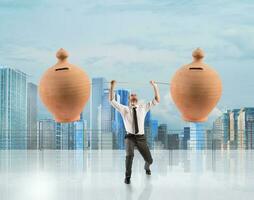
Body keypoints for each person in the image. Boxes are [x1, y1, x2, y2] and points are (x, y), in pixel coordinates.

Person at [109, 80, 160, 184]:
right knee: (129, 155)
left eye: (135, 95)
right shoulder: (124, 109)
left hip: (141, 138)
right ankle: (127, 177)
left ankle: (147, 167)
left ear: (137, 99)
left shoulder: (143, 107)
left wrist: (154, 86)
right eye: (131, 95)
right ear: (129, 99)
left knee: (150, 160)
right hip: (130, 137)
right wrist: (112, 86)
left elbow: (157, 100)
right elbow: (111, 101)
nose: (133, 96)